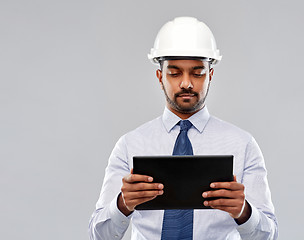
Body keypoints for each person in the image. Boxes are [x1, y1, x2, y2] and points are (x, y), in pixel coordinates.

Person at [89, 16, 278, 240]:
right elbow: (98, 235)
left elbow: (269, 235)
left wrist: (244, 212)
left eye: (197, 73)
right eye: (175, 72)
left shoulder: (243, 145)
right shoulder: (130, 145)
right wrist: (122, 204)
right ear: (160, 76)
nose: (186, 83)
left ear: (210, 75)